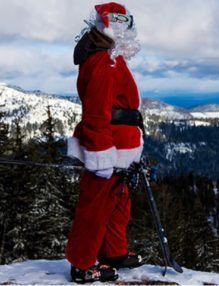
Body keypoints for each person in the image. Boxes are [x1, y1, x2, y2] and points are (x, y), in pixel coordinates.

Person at [65, 2, 144, 283]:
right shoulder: (102, 61)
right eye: (121, 21)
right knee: (95, 207)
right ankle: (82, 264)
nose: (127, 28)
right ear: (108, 25)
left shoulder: (111, 56)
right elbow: (96, 113)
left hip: (120, 148)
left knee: (118, 204)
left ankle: (113, 252)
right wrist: (101, 157)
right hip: (107, 148)